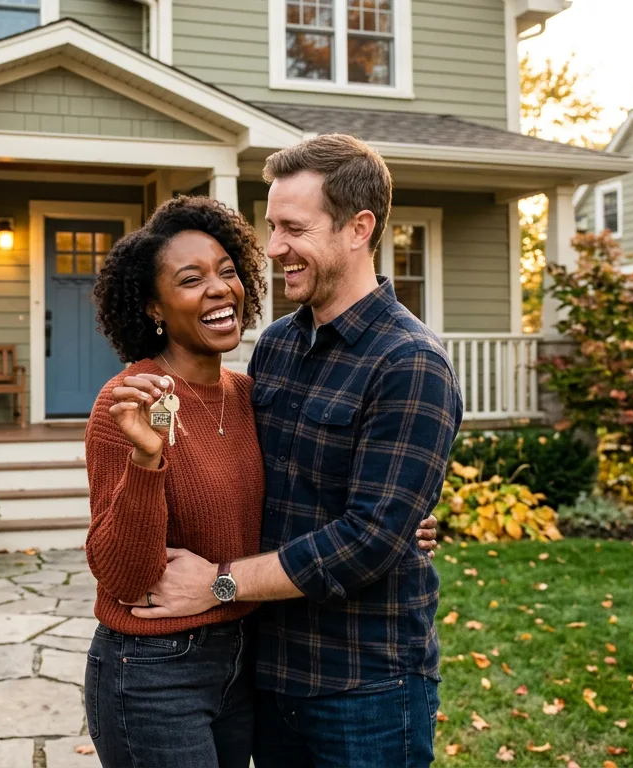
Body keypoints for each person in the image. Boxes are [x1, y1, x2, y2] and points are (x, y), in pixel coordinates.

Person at [128, 135, 464, 768]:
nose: (273, 247)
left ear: (359, 228)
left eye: (293, 228)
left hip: (364, 685)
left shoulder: (410, 363)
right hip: (269, 672)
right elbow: (248, 476)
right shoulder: (278, 345)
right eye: (271, 226)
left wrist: (221, 584)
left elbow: (368, 538)